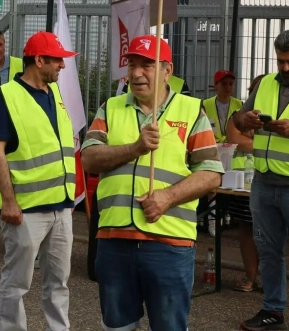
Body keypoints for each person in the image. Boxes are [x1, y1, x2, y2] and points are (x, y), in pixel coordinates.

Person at [81, 35, 222, 331]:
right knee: (117, 326)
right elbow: (89, 159)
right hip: (114, 242)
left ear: (167, 70)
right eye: (131, 64)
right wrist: (135, 148)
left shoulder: (191, 110)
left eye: (147, 65)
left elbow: (211, 173)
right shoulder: (110, 107)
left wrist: (168, 197)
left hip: (169, 244)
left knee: (169, 326)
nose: (136, 73)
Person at [0, 31, 78, 331]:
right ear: (38, 61)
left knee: (59, 283)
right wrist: (9, 201)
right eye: (57, 60)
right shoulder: (7, 96)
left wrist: (69, 197)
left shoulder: (54, 93)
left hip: (61, 208)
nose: (62, 66)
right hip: (26, 211)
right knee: (17, 284)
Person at [235, 29, 289, 331]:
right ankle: (273, 312)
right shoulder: (264, 83)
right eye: (281, 62)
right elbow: (238, 118)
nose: (286, 68)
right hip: (263, 183)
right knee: (269, 251)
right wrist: (245, 120)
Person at [225, 74, 266, 294]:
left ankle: (270, 279)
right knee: (247, 229)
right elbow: (235, 140)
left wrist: (252, 142)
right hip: (242, 184)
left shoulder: (276, 116)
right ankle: (251, 277)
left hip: (270, 180)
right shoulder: (239, 116)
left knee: (271, 232)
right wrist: (264, 143)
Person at [201, 69, 243, 235]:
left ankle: (228, 216)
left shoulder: (239, 104)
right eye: (223, 84)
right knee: (212, 183)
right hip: (213, 148)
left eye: (230, 84)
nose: (227, 87)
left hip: (233, 150)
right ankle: (213, 220)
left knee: (233, 182)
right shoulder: (206, 104)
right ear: (215, 85)